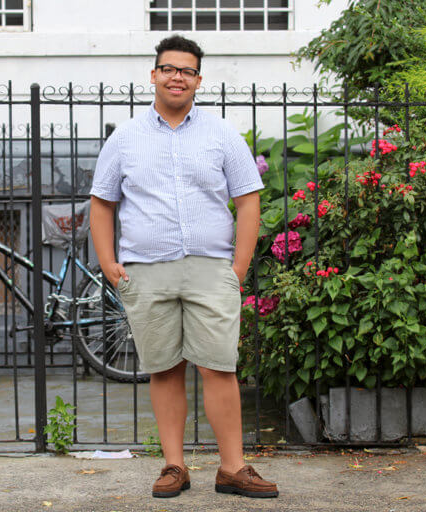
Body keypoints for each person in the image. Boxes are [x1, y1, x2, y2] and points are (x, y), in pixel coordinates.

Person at [89, 35, 278, 500]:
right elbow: (101, 203)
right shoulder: (126, 138)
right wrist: (110, 265)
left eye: (187, 70)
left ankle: (232, 468)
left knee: (219, 367)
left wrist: (238, 268)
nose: (178, 77)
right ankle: (174, 466)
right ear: (153, 75)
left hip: (210, 269)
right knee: (165, 369)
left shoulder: (221, 135)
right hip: (146, 271)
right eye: (169, 68)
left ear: (198, 79)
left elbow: (248, 200)